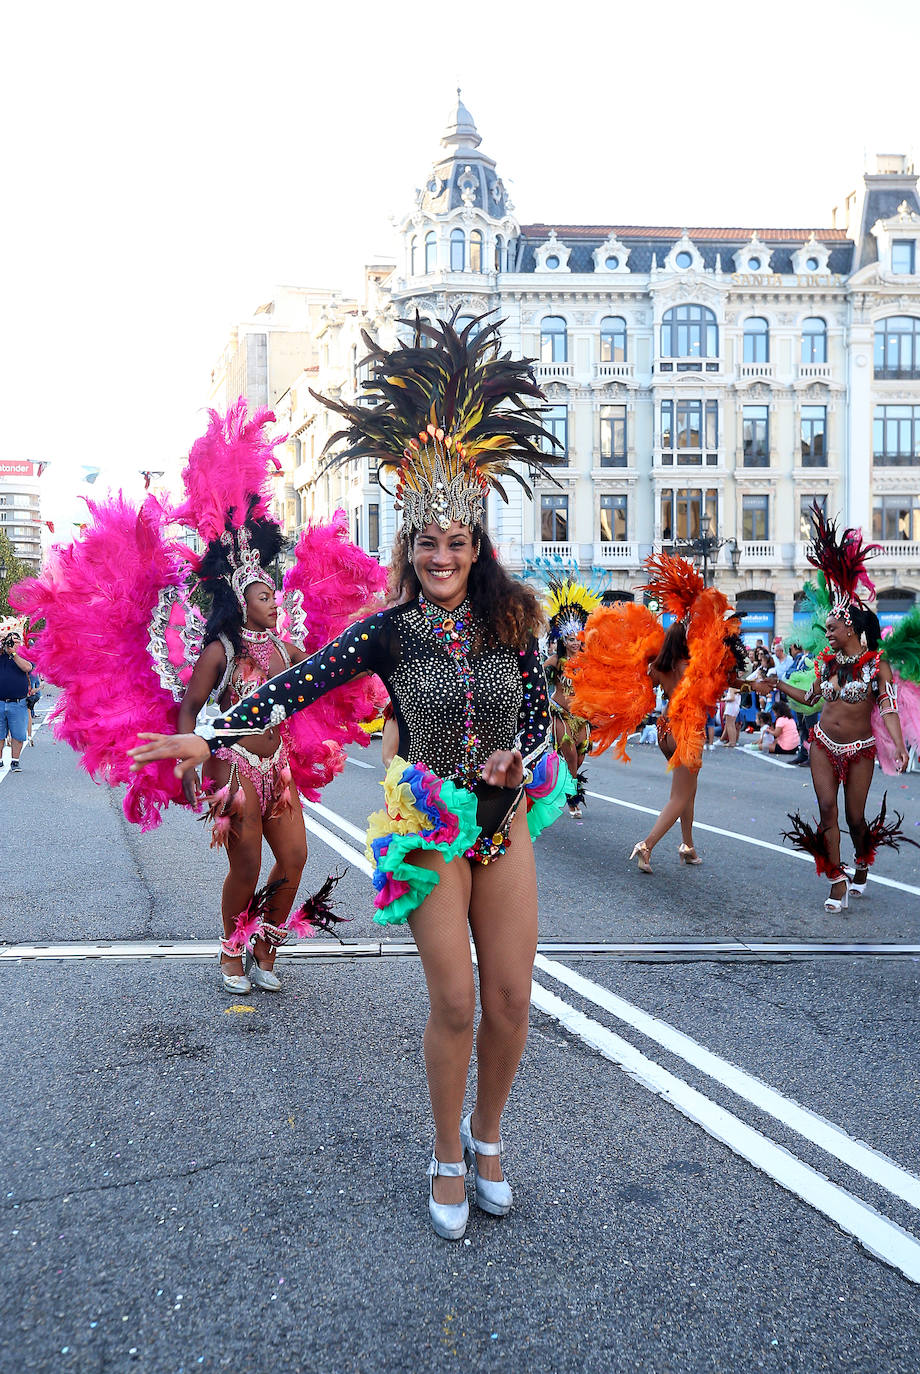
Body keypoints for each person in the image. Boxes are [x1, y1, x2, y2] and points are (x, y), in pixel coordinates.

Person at [129, 313, 573, 1242]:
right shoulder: (388, 629)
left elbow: (540, 713)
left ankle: (489, 1138)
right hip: (424, 827)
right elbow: (289, 686)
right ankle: (445, 1153)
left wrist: (517, 758)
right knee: (454, 998)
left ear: (477, 543)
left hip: (505, 822)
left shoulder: (516, 621)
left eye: (454, 542)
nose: (439, 558)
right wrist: (209, 737)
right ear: (409, 545)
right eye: (425, 544)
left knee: (511, 999)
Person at [754, 504, 912, 912]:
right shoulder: (825, 661)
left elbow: (889, 708)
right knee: (827, 810)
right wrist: (779, 683)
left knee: (854, 818)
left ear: (852, 629)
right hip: (822, 744)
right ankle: (837, 880)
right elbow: (810, 699)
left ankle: (862, 861)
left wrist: (898, 745)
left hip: (859, 751)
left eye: (833, 626)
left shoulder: (878, 665)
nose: (827, 630)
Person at [567, 552, 746, 872]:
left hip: (665, 730)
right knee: (680, 796)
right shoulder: (699, 665)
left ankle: (688, 845)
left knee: (687, 790)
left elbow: (637, 683)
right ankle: (646, 846)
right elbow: (721, 685)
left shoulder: (659, 666)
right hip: (687, 731)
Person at [542, 578, 601, 818]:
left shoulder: (588, 662)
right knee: (570, 756)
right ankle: (572, 800)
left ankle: (561, 787)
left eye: (578, 638)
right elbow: (536, 679)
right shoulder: (556, 661)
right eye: (570, 639)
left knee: (580, 757)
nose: (575, 643)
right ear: (562, 640)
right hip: (560, 713)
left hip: (582, 715)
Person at [0, 617, 35, 772]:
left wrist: (14, 653)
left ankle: (15, 761)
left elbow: (27, 668)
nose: (11, 643)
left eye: (15, 641)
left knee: (18, 734)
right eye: (9, 640)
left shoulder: (24, 654)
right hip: (0, 701)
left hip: (18, 702)